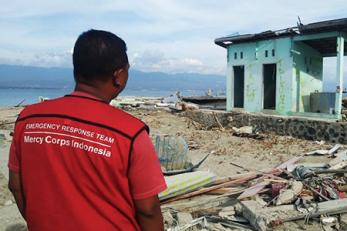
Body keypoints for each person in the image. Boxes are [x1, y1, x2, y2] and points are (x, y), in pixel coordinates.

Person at [8, 29, 167, 231]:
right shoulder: (131, 133)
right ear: (118, 76)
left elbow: (16, 186)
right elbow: (148, 209)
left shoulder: (28, 119)